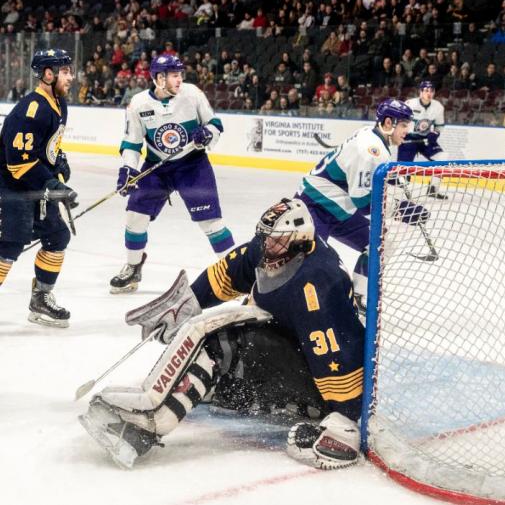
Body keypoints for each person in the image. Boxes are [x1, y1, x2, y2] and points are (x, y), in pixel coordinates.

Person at [79, 198, 364, 471]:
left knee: (223, 342)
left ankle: (146, 426)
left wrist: (343, 419)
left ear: (299, 241)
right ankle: (188, 391)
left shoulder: (318, 286)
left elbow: (340, 357)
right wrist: (184, 306)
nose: (265, 247)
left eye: (274, 241)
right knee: (214, 336)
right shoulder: (276, 250)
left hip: (319, 388)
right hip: (286, 349)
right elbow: (228, 273)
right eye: (265, 238)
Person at [110, 54, 235, 293]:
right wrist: (128, 169)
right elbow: (132, 143)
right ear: (159, 78)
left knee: (211, 222)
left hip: (193, 165)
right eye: (174, 75)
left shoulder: (192, 94)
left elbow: (215, 124)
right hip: (158, 168)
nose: (179, 79)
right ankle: (133, 267)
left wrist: (207, 134)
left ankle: (236, 271)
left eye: (180, 74)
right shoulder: (138, 104)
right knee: (135, 216)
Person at [296, 98, 423, 306]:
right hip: (315, 205)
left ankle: (360, 296)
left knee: (381, 244)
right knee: (309, 265)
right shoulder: (371, 151)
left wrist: (387, 177)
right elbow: (363, 203)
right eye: (403, 125)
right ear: (388, 123)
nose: (406, 131)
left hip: (338, 208)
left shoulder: (372, 135)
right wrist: (401, 209)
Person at [0, 49, 77, 327]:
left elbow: (47, 144)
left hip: (35, 185)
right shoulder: (30, 110)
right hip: (11, 185)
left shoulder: (59, 103)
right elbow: (18, 164)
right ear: (48, 73)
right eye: (65, 71)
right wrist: (52, 183)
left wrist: (59, 160)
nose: (71, 76)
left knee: (57, 237)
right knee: (9, 244)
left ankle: (40, 300)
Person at [399, 81, 449, 199]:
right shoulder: (410, 104)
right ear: (420, 92)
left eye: (431, 91)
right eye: (426, 90)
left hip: (426, 139)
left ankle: (433, 189)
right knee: (403, 168)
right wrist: (401, 135)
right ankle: (402, 195)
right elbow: (401, 122)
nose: (429, 93)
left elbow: (439, 126)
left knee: (442, 157)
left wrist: (435, 133)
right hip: (409, 139)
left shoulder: (438, 107)